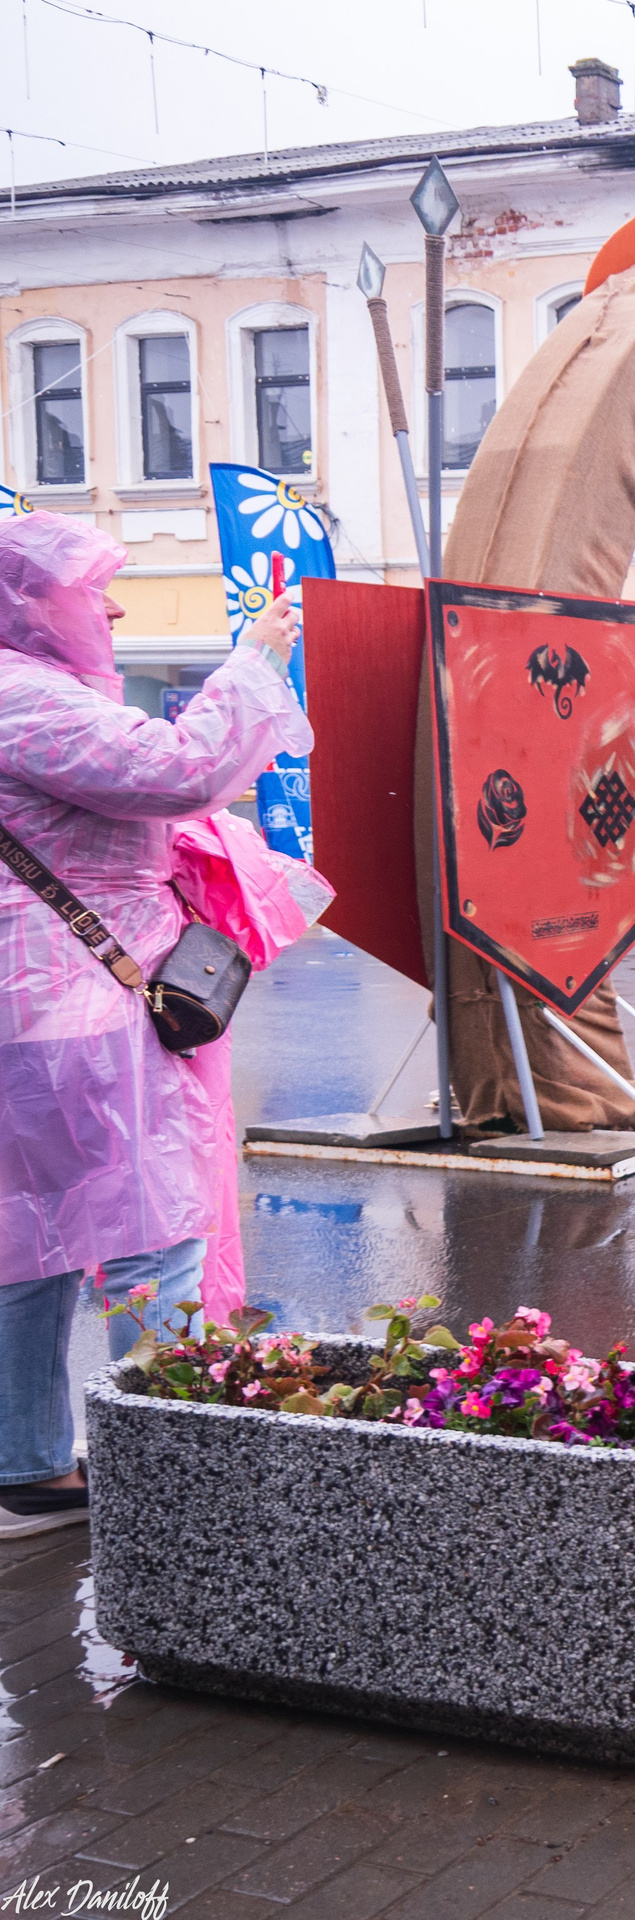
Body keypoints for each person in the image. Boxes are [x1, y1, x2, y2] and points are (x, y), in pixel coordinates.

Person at [0, 512, 309, 1538]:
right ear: (24, 603)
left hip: (31, 1008)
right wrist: (256, 661)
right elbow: (182, 769)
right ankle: (169, 1481)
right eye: (93, 589)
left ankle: (27, 1463)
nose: (116, 606)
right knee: (153, 1231)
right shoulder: (22, 700)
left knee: (31, 1239)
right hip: (87, 1014)